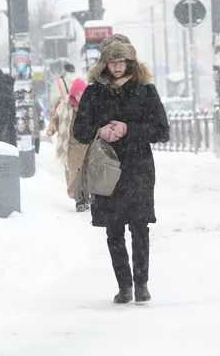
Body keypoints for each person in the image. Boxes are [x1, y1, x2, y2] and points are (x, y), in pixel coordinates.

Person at [73, 34, 169, 305]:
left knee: (140, 227)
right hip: (106, 167)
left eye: (122, 61)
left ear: (131, 61)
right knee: (113, 228)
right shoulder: (93, 92)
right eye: (112, 61)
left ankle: (141, 283)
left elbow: (162, 130)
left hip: (138, 166)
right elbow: (79, 130)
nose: (117, 66)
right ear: (103, 63)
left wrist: (130, 129)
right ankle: (124, 285)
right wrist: (99, 131)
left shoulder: (145, 90)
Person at [46, 77, 90, 212]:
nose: (80, 96)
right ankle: (79, 200)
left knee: (88, 173)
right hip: (71, 146)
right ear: (73, 95)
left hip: (88, 145)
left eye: (82, 93)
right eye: (77, 94)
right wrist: (52, 128)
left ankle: (86, 196)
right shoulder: (64, 106)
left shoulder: (91, 106)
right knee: (74, 175)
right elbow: (56, 119)